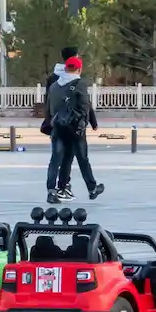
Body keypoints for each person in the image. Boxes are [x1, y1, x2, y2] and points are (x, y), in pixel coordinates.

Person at [46, 55, 105, 203]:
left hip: (58, 128)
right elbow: (85, 106)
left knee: (56, 159)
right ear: (79, 68)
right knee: (82, 159)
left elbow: (48, 108)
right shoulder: (80, 84)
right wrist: (88, 122)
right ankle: (92, 189)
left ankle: (52, 191)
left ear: (66, 68)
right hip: (75, 130)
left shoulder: (54, 86)